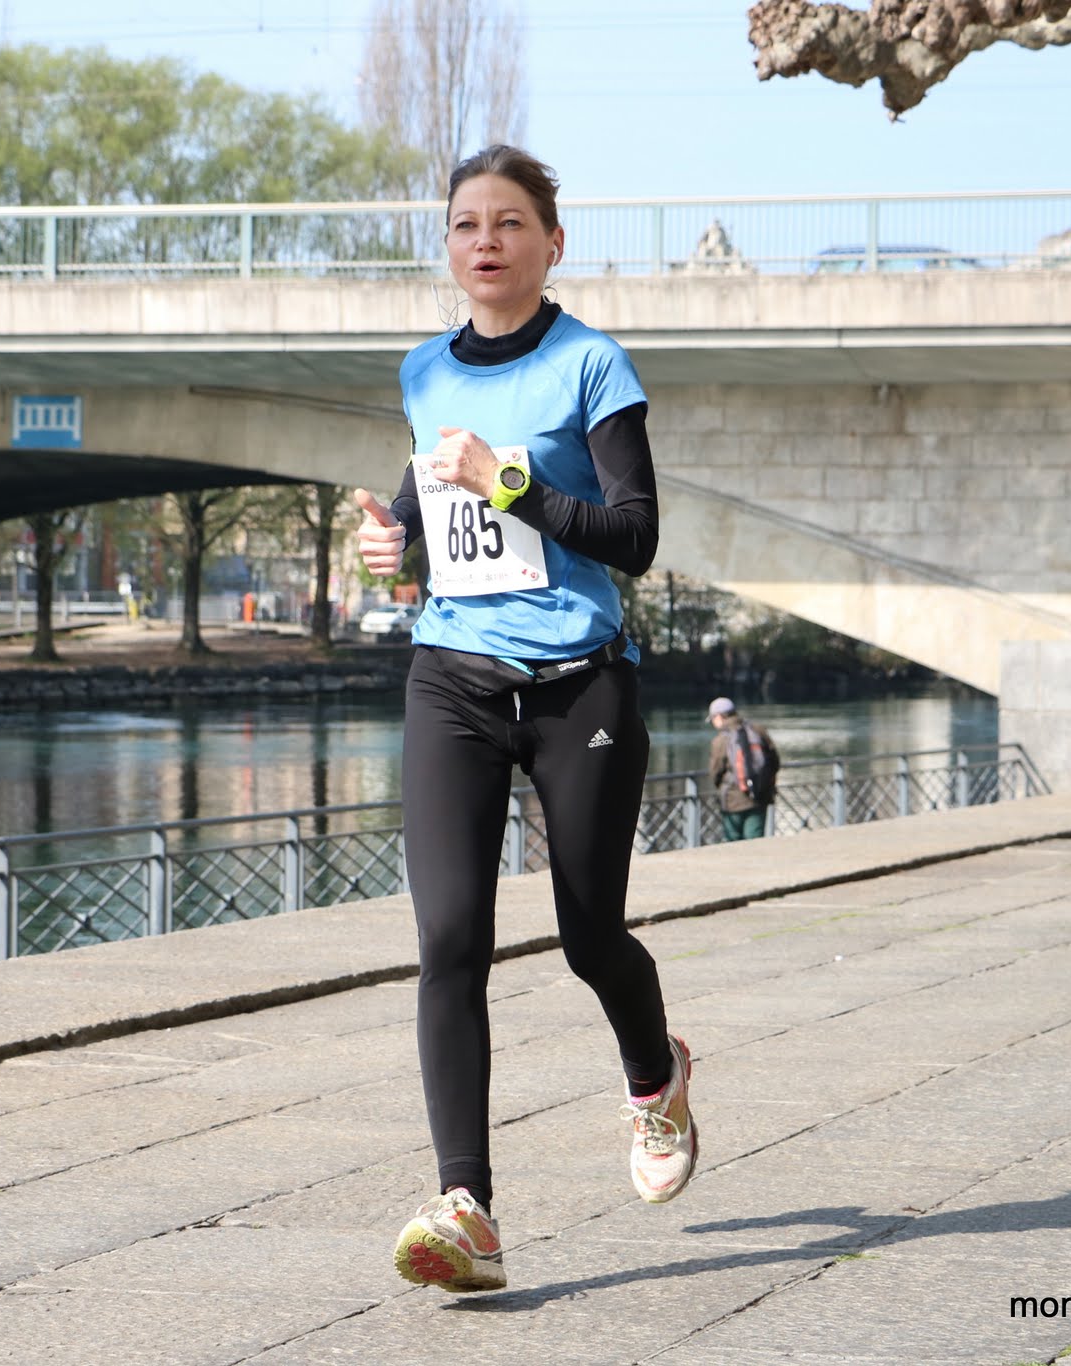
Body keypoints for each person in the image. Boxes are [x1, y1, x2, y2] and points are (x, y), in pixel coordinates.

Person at [353, 145, 696, 1296]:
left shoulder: (590, 363)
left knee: (588, 935)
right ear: (446, 246)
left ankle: (653, 1076)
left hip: (577, 685)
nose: (485, 241)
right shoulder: (422, 370)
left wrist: (512, 485)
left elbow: (634, 536)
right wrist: (390, 535)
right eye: (465, 224)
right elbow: (428, 495)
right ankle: (467, 1209)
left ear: (552, 243)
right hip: (450, 677)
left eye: (508, 222)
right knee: (450, 937)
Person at [706, 697, 779, 840]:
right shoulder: (758, 731)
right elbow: (775, 761)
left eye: (713, 719)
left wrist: (720, 787)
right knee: (755, 841)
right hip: (760, 796)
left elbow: (715, 771)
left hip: (732, 800)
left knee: (732, 843)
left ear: (719, 717)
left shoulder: (721, 740)